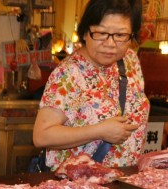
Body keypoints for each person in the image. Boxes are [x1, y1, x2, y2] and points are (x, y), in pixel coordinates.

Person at [32, 0, 149, 171]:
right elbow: (42, 136)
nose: (110, 44)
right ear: (86, 32)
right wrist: (99, 131)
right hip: (79, 187)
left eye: (120, 35)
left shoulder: (129, 61)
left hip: (123, 181)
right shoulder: (70, 73)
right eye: (101, 33)